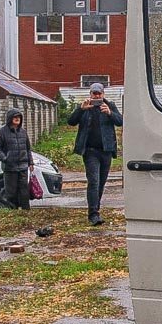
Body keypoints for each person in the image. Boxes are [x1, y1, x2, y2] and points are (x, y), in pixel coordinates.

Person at [68, 83, 123, 225]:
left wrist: (110, 113)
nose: (97, 96)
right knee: (94, 181)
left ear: (103, 94)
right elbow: (71, 122)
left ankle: (95, 209)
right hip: (90, 151)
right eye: (94, 94)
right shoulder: (85, 106)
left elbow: (120, 121)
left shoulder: (109, 105)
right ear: (90, 94)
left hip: (106, 150)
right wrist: (80, 110)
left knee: (101, 183)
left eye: (99, 94)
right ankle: (93, 214)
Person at [0, 108, 32, 210]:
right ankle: (13, 211)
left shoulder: (23, 132)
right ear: (10, 118)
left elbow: (28, 148)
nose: (17, 119)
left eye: (19, 117)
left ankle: (25, 211)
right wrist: (5, 159)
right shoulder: (1, 132)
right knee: (11, 192)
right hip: (10, 167)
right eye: (15, 117)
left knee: (24, 191)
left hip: (23, 166)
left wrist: (30, 163)